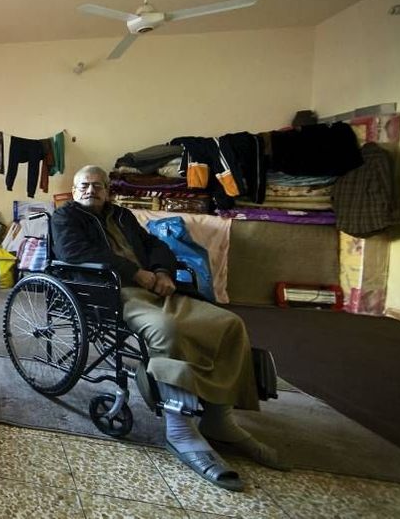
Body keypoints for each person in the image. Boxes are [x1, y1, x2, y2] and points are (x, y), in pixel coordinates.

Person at [51, 164, 287, 492]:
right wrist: (136, 274)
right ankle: (179, 431)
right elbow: (76, 253)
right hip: (110, 292)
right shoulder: (66, 218)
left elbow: (153, 246)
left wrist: (161, 271)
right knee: (168, 330)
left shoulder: (121, 215)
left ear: (108, 190)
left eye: (97, 186)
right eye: (83, 186)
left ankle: (219, 418)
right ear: (75, 191)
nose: (91, 191)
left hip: (152, 285)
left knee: (228, 324)